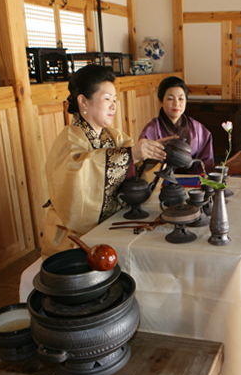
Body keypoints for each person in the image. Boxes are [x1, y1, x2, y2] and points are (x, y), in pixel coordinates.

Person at [42, 64, 169, 259]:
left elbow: (132, 167)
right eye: (107, 99)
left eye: (115, 100)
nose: (113, 106)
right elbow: (77, 175)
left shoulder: (113, 136)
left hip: (112, 224)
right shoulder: (69, 139)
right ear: (83, 101)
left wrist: (149, 156)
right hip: (75, 238)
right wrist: (130, 155)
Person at [140, 76, 215, 174]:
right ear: (161, 101)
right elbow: (143, 164)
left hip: (193, 184)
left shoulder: (198, 129)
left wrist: (198, 181)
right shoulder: (151, 130)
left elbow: (206, 163)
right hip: (161, 183)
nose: (176, 103)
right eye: (170, 98)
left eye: (181, 98)